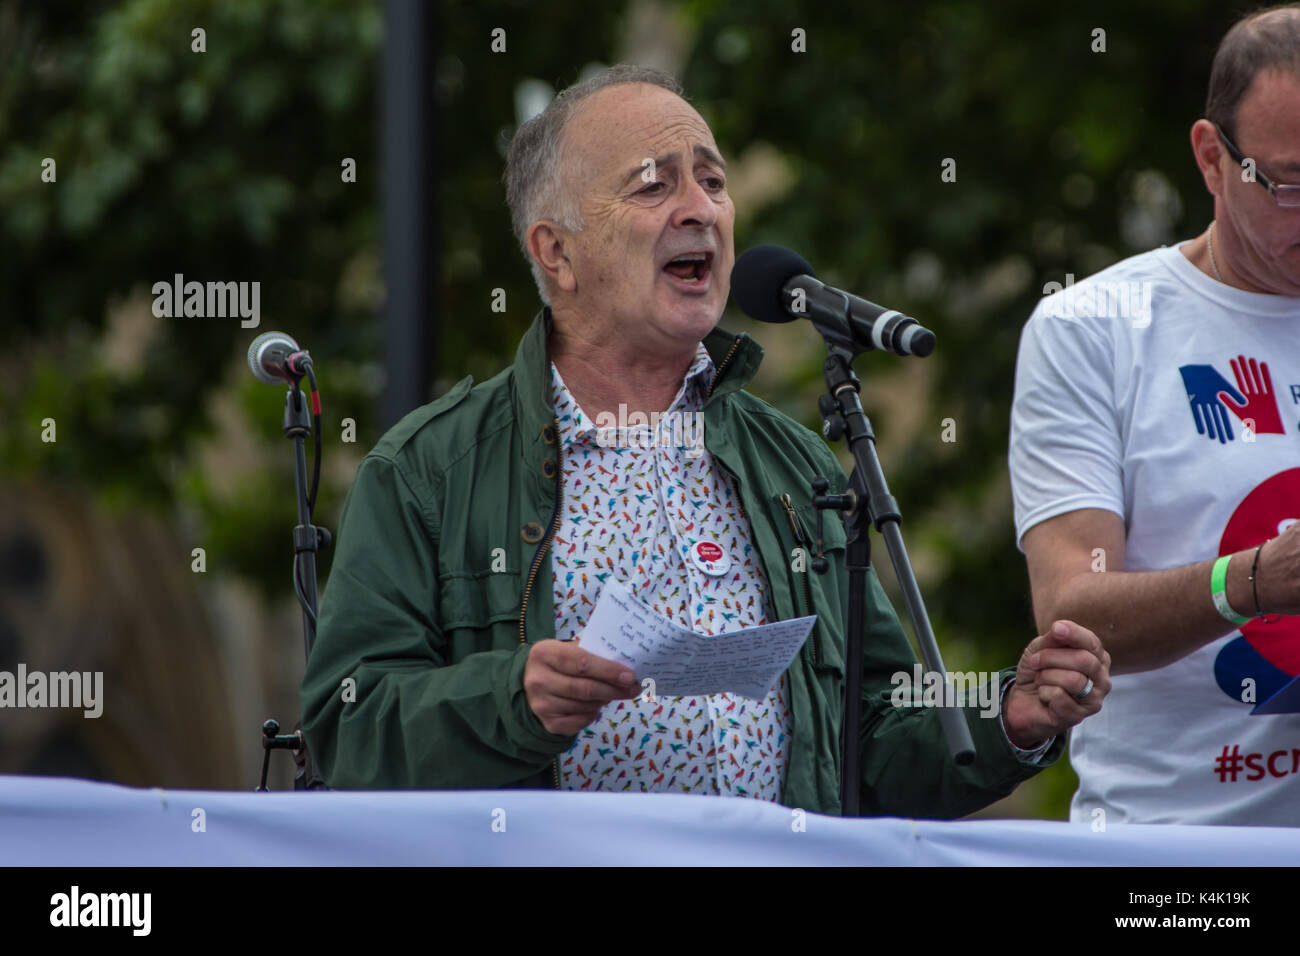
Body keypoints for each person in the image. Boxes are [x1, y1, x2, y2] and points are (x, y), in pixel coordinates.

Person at [301, 64, 1110, 816]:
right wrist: (513, 700)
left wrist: (1010, 716)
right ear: (557, 252)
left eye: (713, 181)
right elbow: (347, 732)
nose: (702, 209)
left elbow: (871, 741)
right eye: (654, 185)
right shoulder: (429, 470)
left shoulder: (792, 463)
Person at [1010, 6, 1300, 826]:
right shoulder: (1094, 329)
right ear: (1212, 157)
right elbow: (1072, 605)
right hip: (1174, 854)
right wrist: (1253, 583)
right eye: (1291, 184)